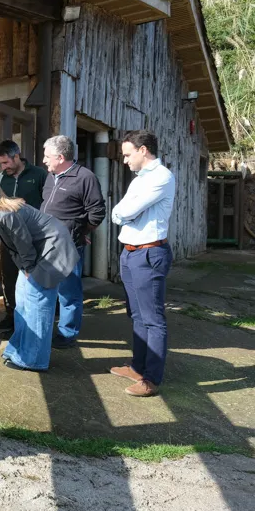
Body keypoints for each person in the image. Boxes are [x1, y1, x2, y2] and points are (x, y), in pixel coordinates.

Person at [0, 174, 79, 372]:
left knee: (37, 305)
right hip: (37, 252)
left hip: (50, 251)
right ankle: (19, 348)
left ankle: (34, 360)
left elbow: (24, 244)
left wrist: (28, 269)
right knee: (23, 303)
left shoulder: (6, 214)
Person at [110, 130, 175, 397]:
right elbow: (118, 212)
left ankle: (151, 379)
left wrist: (125, 213)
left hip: (149, 254)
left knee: (153, 319)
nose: (125, 160)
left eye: (128, 155)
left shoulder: (161, 177)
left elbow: (126, 210)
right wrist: (124, 213)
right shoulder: (140, 179)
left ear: (143, 150)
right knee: (136, 315)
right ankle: (138, 367)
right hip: (130, 253)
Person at [40, 135, 106, 349]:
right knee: (43, 289)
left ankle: (67, 334)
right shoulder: (50, 176)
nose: (44, 160)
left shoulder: (85, 177)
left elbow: (97, 212)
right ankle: (43, 330)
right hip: (45, 243)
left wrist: (80, 231)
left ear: (60, 157)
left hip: (68, 246)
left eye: (47, 156)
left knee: (69, 292)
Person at [0, 140, 48, 335]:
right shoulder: (0, 179)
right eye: (1, 163)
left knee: (31, 277)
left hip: (33, 237)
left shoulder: (39, 175)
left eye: (6, 162)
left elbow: (49, 203)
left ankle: (28, 320)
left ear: (16, 157)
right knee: (8, 277)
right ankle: (11, 315)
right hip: (9, 238)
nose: (3, 167)